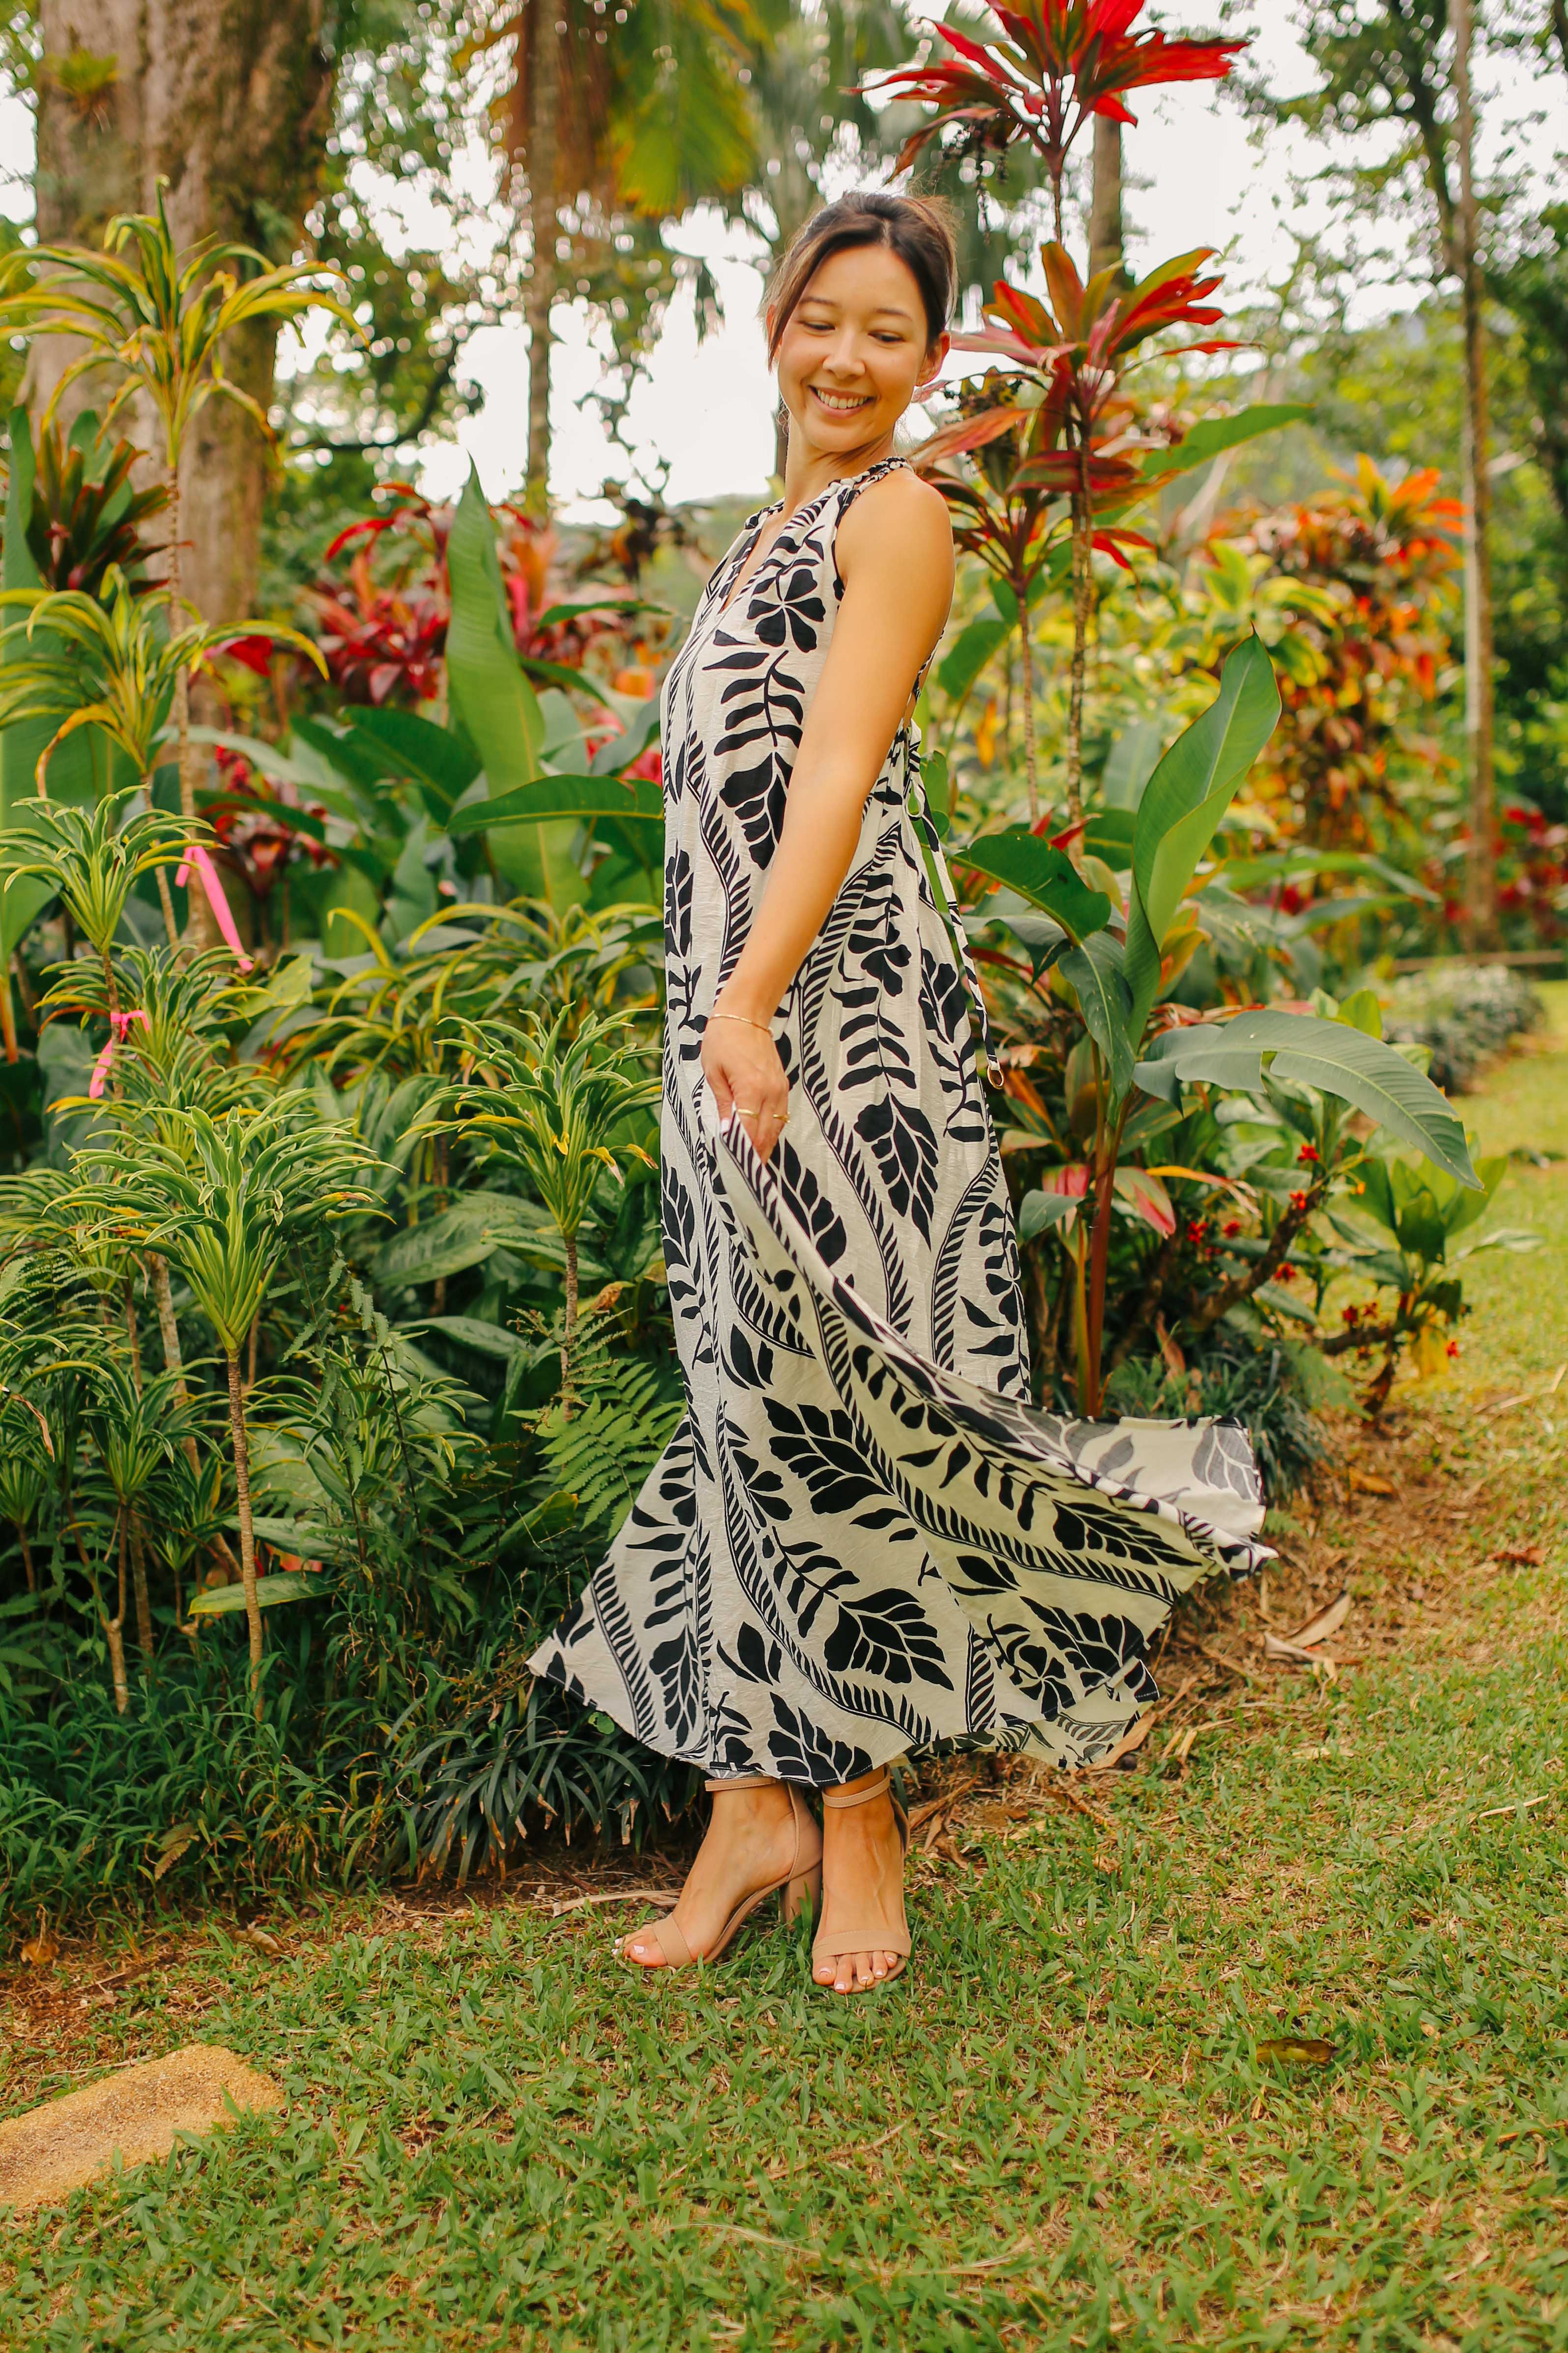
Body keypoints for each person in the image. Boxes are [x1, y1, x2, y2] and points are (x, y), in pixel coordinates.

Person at [529, 192, 1269, 1996]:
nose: (848, 357)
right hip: (729, 1023)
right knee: (737, 1396)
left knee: (830, 1396)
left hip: (839, 1033)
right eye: (822, 318)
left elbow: (840, 772)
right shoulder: (751, 539)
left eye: (888, 330)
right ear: (774, 322)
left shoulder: (899, 517)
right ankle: (749, 1802)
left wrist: (760, 1004)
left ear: (932, 358)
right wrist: (713, 1014)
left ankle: (856, 1811)